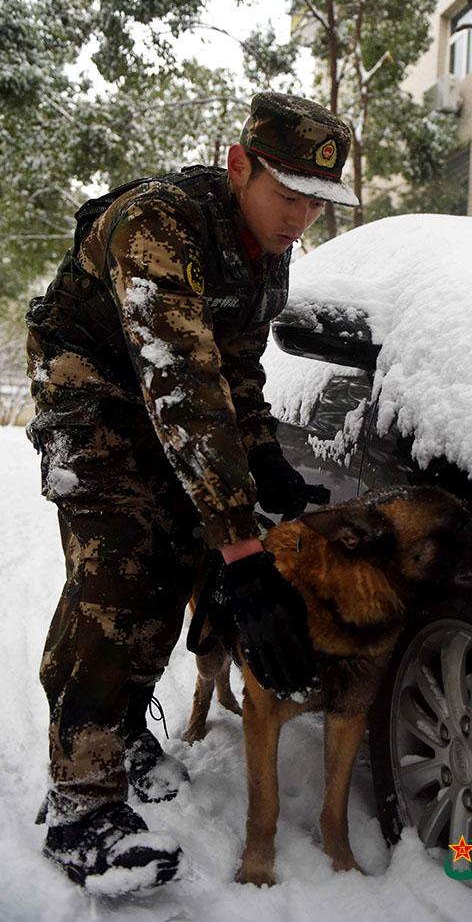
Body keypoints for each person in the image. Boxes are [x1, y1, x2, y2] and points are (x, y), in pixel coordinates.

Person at [25, 91, 358, 892]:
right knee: (120, 577)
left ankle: (118, 735)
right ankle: (82, 807)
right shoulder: (160, 223)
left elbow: (231, 371)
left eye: (317, 200)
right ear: (239, 166)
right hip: (95, 397)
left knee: (176, 560)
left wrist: (264, 459)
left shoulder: (264, 251)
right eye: (287, 194)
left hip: (169, 403)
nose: (299, 217)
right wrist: (242, 551)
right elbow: (178, 379)